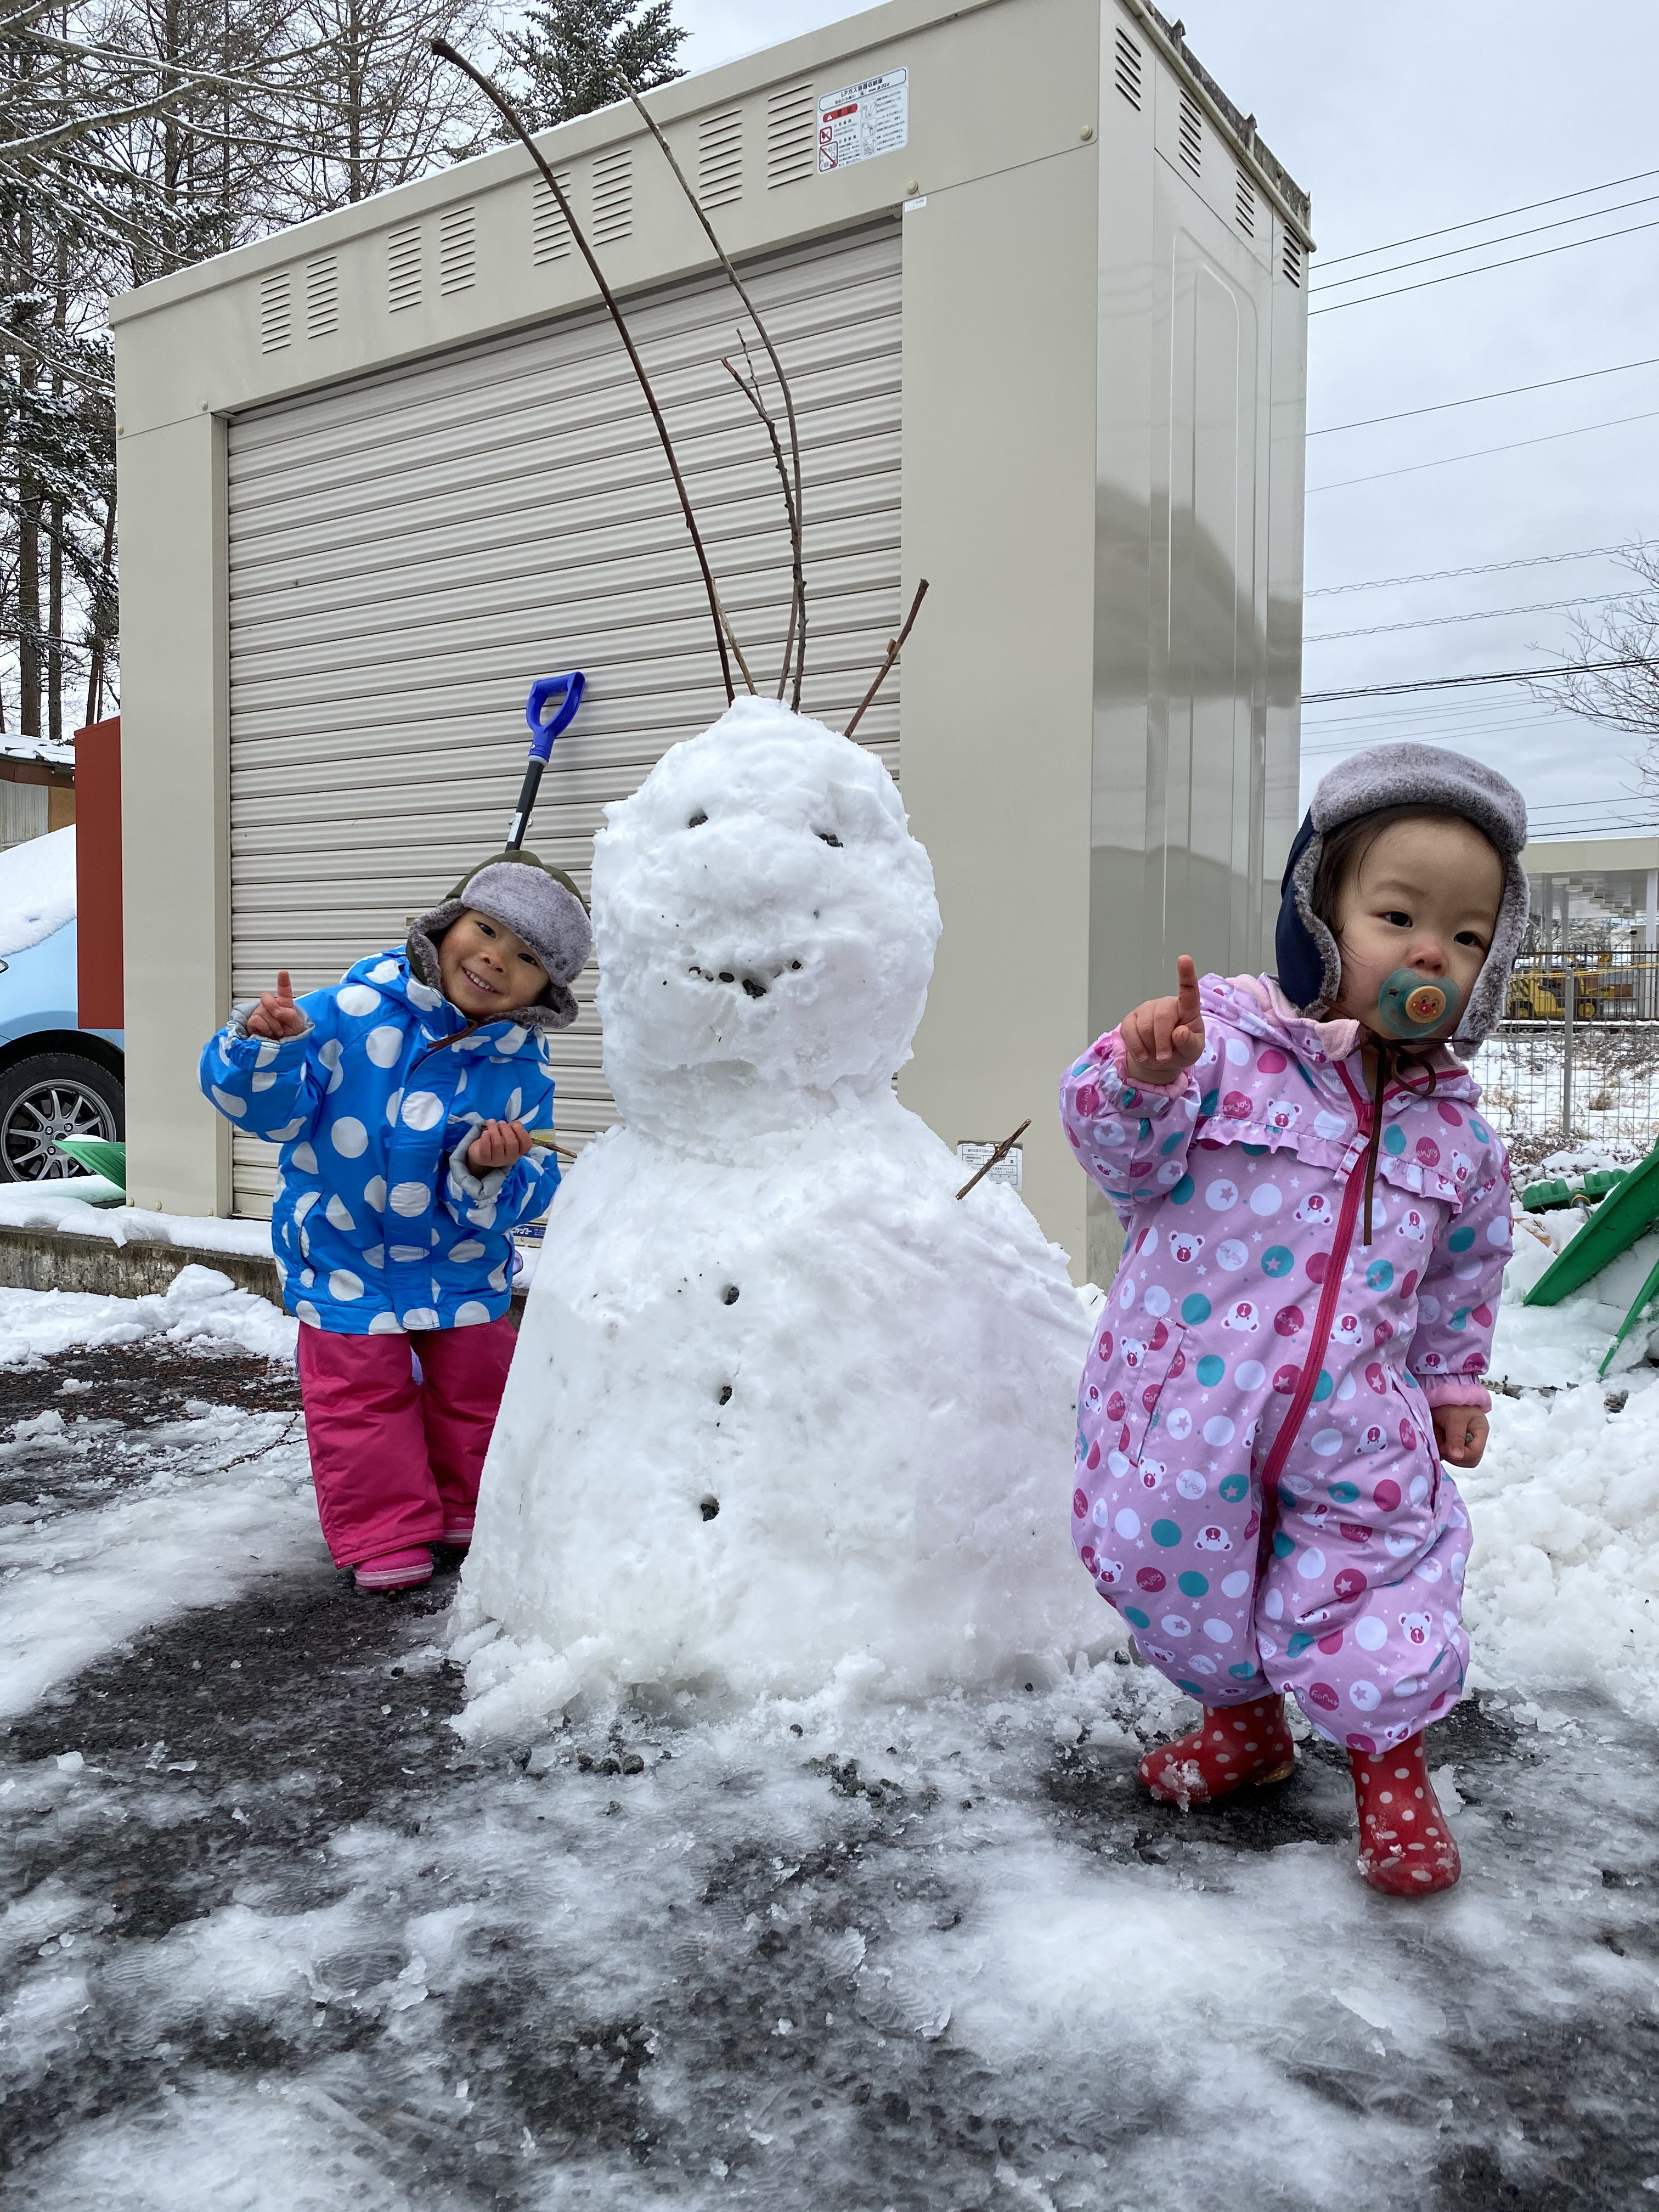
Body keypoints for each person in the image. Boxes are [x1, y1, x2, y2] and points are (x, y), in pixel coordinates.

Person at [1060, 744, 1529, 1895]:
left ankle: (1390, 1768)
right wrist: (1142, 1078)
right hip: (1186, 1397)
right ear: (1317, 920)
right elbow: (1119, 1155)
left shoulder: (1457, 1135)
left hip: (1357, 1419)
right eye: (1399, 915)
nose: (1433, 952)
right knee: (1169, 1565)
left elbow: (1462, 1270)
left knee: (1376, 1577)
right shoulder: (1221, 1041)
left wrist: (1454, 1382)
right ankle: (1245, 1726)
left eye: (1468, 938)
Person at [200, 851, 592, 1593]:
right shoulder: (347, 1014)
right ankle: (383, 1527)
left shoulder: (521, 1070)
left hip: (459, 1260)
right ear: (445, 926)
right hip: (346, 1252)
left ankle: (471, 1502)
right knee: (359, 1394)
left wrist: (490, 1170)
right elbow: (268, 1114)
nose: (494, 959)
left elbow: (535, 1186)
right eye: (486, 930)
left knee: (479, 1383)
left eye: (528, 956)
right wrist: (266, 1048)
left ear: (546, 992)